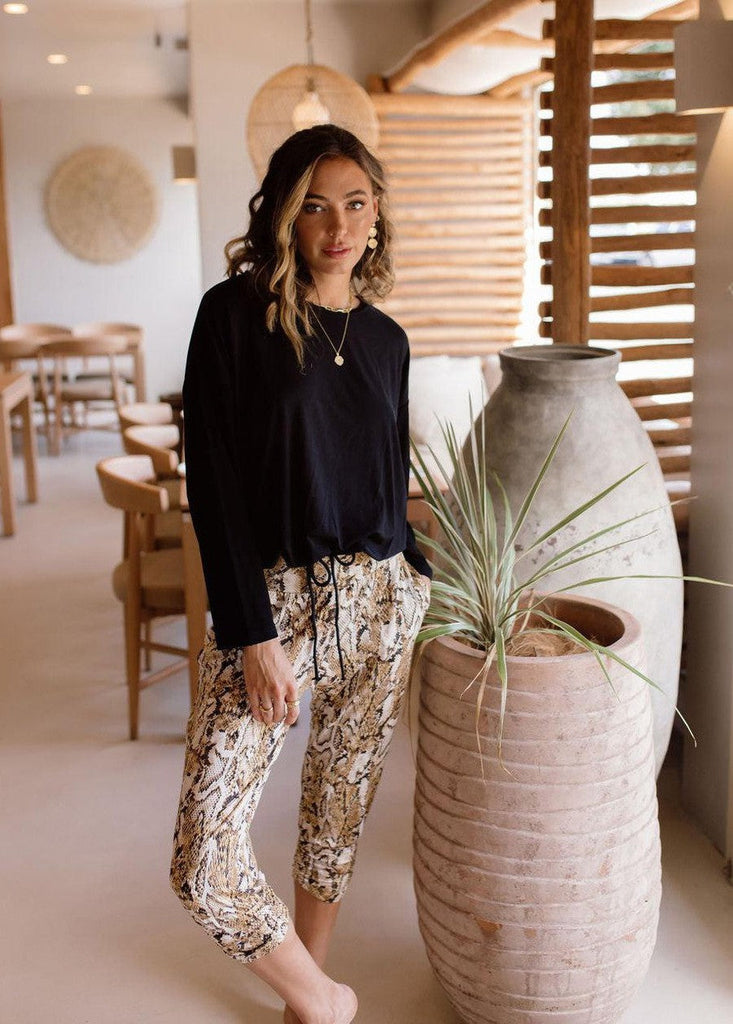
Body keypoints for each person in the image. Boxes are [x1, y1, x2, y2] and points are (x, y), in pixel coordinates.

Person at [170, 124, 432, 1024]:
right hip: (275, 607)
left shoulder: (388, 341)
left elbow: (387, 477)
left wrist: (418, 574)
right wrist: (250, 633)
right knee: (203, 852)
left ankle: (303, 1002)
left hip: (382, 600)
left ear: (376, 214)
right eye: (315, 205)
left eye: (356, 203)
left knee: (337, 807)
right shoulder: (232, 316)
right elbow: (212, 484)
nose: (338, 226)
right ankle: (325, 999)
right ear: (284, 212)